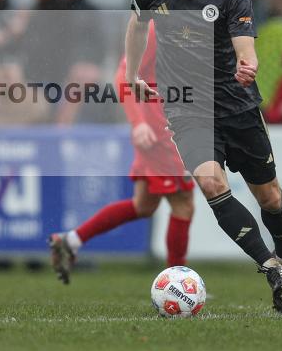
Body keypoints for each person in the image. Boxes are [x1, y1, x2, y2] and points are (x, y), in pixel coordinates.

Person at [122, 0, 282, 314]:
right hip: (186, 105)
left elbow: (244, 43)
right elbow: (135, 26)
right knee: (212, 184)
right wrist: (132, 74)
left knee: (269, 197)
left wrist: (247, 65)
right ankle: (271, 269)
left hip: (236, 105)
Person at [49, 22, 195, 282]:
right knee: (183, 205)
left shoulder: (191, 25)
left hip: (168, 127)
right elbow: (124, 74)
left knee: (143, 205)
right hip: (160, 133)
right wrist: (139, 123)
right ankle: (178, 282)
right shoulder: (157, 28)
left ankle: (71, 240)